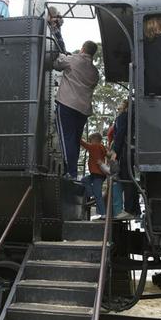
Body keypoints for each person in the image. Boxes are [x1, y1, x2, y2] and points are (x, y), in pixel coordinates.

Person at [53, 40, 99, 180]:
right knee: (74, 141)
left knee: (67, 139)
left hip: (67, 104)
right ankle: (72, 171)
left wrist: (63, 55)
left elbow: (56, 64)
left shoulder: (73, 60)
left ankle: (70, 172)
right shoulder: (94, 72)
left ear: (82, 49)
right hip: (83, 110)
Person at [110, 99, 140, 219]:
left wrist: (115, 151)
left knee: (125, 178)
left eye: (120, 104)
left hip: (124, 151)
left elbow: (120, 134)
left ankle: (128, 209)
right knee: (131, 181)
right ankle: (134, 209)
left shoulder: (123, 117)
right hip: (133, 150)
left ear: (125, 106)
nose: (118, 107)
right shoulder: (134, 118)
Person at [81, 133, 107, 219]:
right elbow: (107, 154)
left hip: (98, 175)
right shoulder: (102, 147)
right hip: (97, 174)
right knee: (84, 180)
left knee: (98, 195)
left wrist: (78, 136)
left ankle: (103, 214)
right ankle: (91, 193)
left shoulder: (94, 147)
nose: (89, 142)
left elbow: (83, 143)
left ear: (94, 140)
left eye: (90, 140)